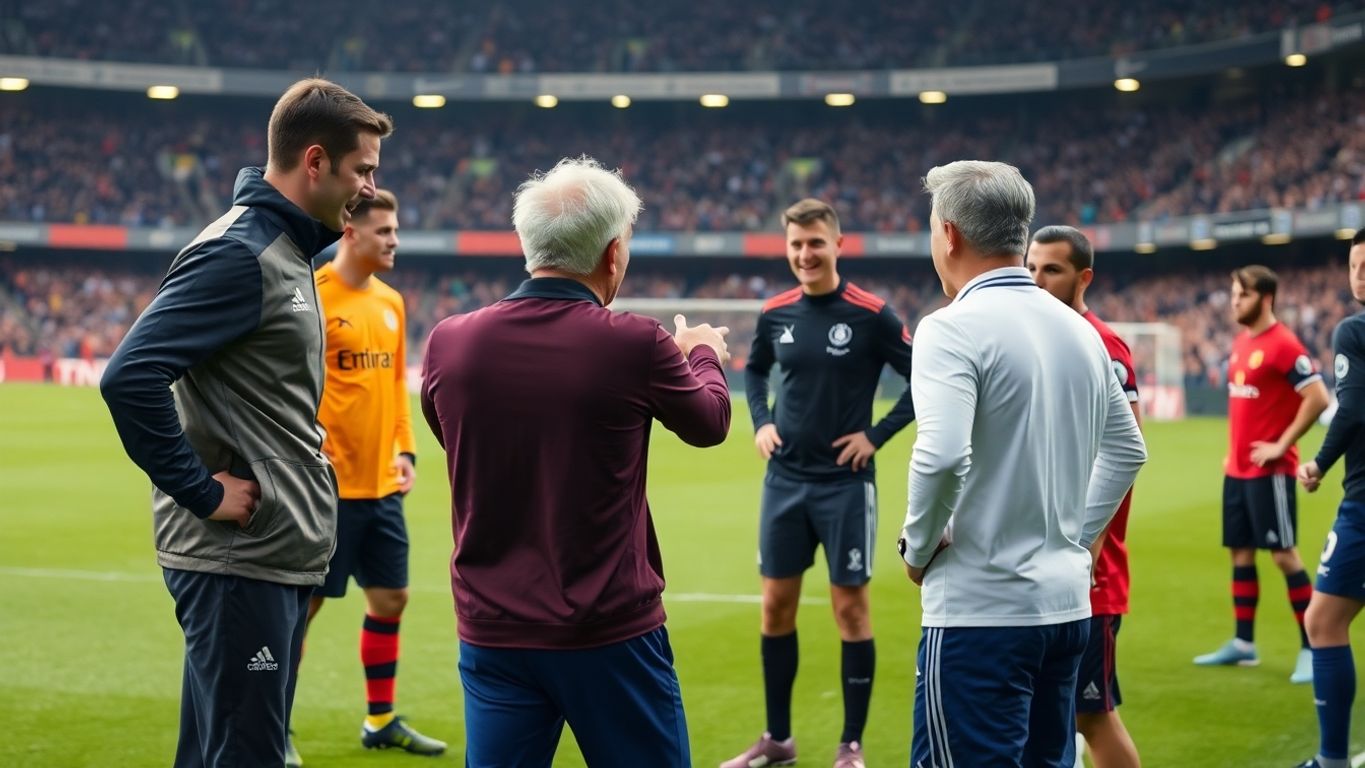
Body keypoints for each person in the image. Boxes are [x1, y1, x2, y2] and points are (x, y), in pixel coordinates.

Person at [99, 78, 393, 767]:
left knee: (217, 749)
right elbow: (129, 376)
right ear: (314, 161)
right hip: (239, 564)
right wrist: (202, 491)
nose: (372, 187)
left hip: (272, 555)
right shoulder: (240, 253)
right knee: (249, 753)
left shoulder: (290, 250)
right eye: (363, 169)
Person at [419, 156, 732, 765]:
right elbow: (710, 424)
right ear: (613, 253)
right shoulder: (636, 342)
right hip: (607, 631)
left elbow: (452, 439)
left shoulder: (448, 342)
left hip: (493, 629)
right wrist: (704, 354)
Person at [901, 160, 1146, 767]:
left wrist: (918, 545)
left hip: (980, 614)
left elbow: (941, 455)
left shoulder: (949, 328)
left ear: (950, 234)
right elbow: (1127, 449)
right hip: (1065, 611)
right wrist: (1076, 539)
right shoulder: (1081, 330)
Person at [724, 198, 915, 768]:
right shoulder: (775, 312)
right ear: (787, 250)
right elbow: (754, 369)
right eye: (796, 245)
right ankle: (778, 740)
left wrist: (875, 436)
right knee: (774, 607)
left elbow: (924, 379)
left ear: (838, 245)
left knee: (850, 610)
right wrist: (761, 421)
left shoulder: (871, 313)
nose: (805, 254)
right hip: (784, 482)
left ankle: (850, 747)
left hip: (845, 486)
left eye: (815, 243)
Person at [289, 189, 444, 764]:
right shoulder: (312, 298)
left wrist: (406, 451)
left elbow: (397, 392)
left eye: (396, 231)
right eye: (385, 232)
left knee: (391, 598)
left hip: (383, 487)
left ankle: (379, 720)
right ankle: (274, 724)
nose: (395, 241)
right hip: (326, 492)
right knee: (300, 611)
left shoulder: (392, 303)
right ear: (350, 233)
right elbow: (290, 389)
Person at [1028, 225, 1142, 768]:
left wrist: (1090, 540)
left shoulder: (1103, 344)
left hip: (1089, 571)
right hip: (1044, 559)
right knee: (1053, 716)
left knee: (1092, 716)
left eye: (1051, 269)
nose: (1037, 279)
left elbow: (1124, 451)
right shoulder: (1038, 336)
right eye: (1030, 267)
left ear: (1083, 277)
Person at [1193, 265, 1328, 683]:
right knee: (1240, 553)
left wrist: (1282, 445)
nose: (1235, 302)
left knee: (1285, 556)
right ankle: (1244, 644)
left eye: (1242, 295)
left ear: (1265, 298)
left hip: (1271, 473)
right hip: (1237, 471)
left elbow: (1317, 397)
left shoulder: (1284, 345)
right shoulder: (1240, 342)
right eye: (1233, 294)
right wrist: (1233, 455)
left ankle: (1312, 648)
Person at [1293, 229, 1365, 768]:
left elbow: (1353, 409)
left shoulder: (1354, 331)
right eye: (1354, 264)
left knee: (1323, 622)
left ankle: (1332, 759)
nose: (1359, 275)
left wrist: (1317, 461)